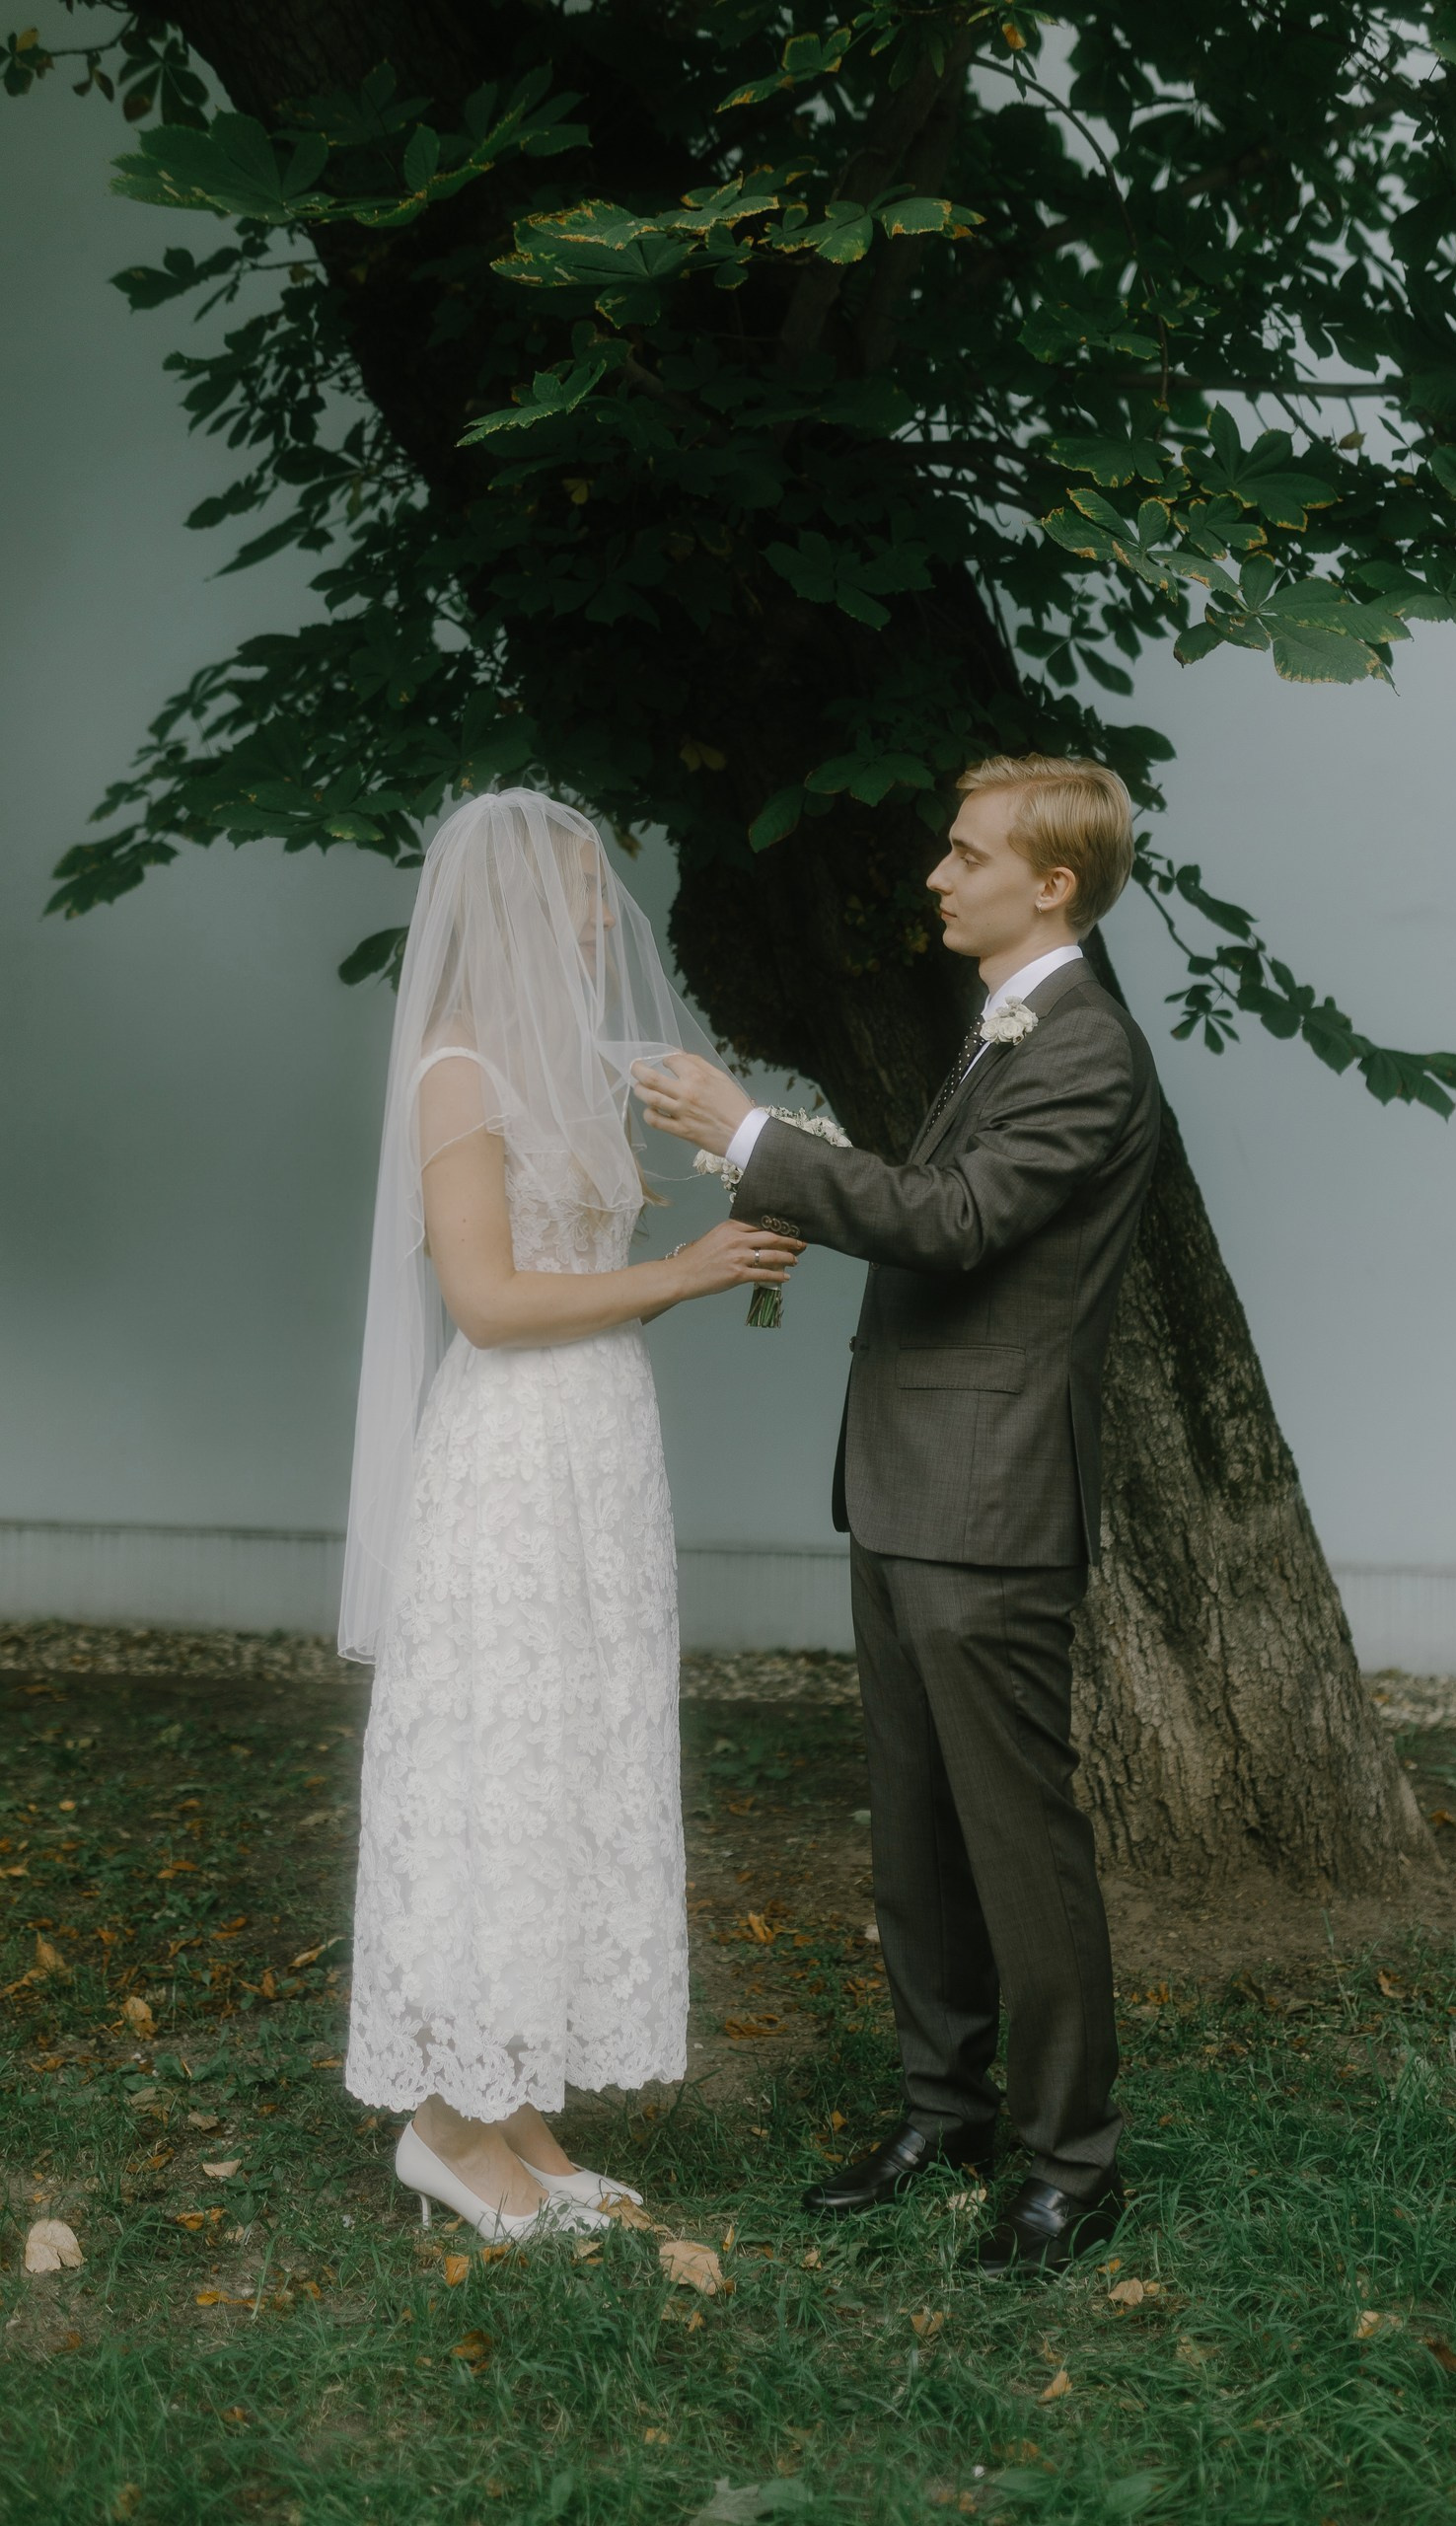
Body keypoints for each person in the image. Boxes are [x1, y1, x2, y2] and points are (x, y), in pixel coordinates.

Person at [634, 753, 1161, 2275]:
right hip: (911, 1486)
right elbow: (946, 1216)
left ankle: (1071, 2165)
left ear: (1048, 885)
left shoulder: (1084, 1046)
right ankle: (948, 2112)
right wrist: (783, 1181)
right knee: (919, 1844)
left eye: (965, 854)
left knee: (1018, 1850)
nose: (936, 874)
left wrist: (755, 1135)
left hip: (991, 1503)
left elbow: (958, 1222)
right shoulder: (1005, 1029)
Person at [338, 789, 803, 2240]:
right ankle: (441, 2129)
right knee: (501, 1762)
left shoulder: (567, 1071)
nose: (610, 915)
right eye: (585, 892)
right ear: (517, 912)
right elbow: (486, 1302)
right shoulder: (459, 1070)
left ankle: (517, 2108)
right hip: (512, 1456)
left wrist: (721, 1220)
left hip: (600, 1445)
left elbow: (578, 1276)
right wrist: (687, 1271)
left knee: (573, 1763)